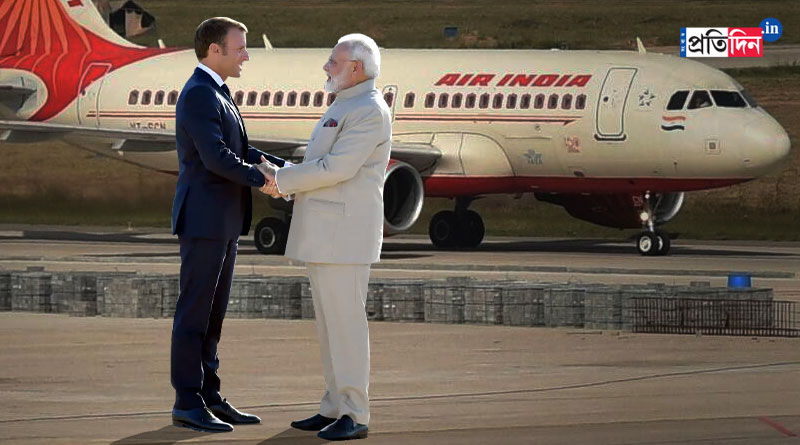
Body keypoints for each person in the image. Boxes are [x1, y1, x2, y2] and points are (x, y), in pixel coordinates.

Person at [257, 33, 391, 441]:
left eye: (333, 61)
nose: (326, 67)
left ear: (356, 68)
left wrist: (281, 179)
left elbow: (337, 168)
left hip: (344, 236)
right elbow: (318, 163)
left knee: (347, 326)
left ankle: (356, 413)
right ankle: (334, 406)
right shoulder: (346, 105)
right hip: (326, 233)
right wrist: (277, 168)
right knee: (330, 328)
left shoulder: (369, 111)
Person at [170, 17, 285, 433]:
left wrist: (286, 170)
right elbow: (217, 157)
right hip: (203, 221)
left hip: (223, 221)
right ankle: (187, 400)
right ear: (214, 50)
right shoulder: (199, 94)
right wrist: (264, 181)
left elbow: (240, 148)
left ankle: (210, 395)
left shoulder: (217, 91)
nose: (246, 56)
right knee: (194, 315)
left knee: (213, 316)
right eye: (240, 49)